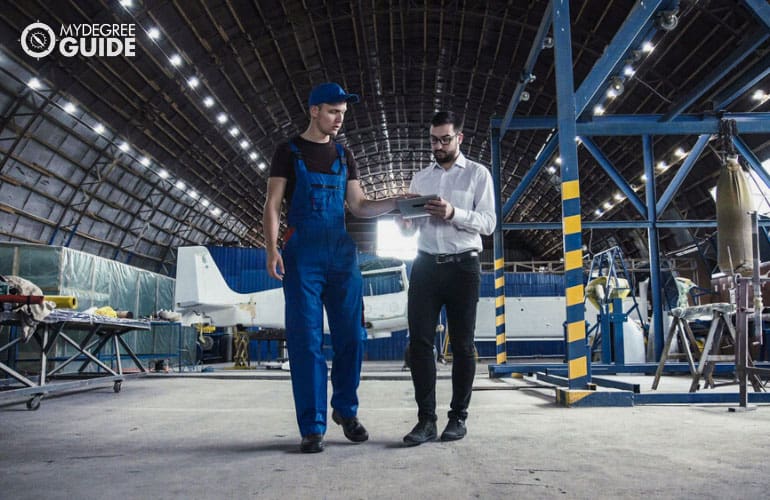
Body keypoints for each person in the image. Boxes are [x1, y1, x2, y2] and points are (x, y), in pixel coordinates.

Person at [263, 82, 400, 453]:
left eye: (343, 113)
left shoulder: (345, 154)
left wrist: (395, 202)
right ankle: (312, 426)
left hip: (341, 253)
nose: (340, 119)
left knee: (352, 337)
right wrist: (272, 249)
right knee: (306, 341)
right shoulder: (288, 152)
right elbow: (274, 204)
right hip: (302, 253)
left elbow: (358, 205)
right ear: (314, 111)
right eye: (333, 112)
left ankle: (345, 410)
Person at [398, 110, 496, 445]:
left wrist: (453, 213)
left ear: (459, 138)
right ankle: (426, 421)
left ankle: (458, 418)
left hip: (463, 267)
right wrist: (406, 222)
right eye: (433, 140)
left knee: (463, 344)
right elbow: (410, 227)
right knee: (420, 344)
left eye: (445, 139)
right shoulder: (421, 179)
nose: (438, 146)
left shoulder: (477, 175)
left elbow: (488, 222)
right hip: (425, 265)